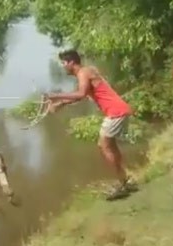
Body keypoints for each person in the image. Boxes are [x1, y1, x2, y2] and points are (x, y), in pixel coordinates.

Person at [44, 49, 138, 201]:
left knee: (104, 146)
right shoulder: (87, 72)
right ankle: (125, 181)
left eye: (64, 63)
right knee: (110, 146)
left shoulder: (83, 73)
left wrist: (56, 95)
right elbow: (82, 94)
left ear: (71, 62)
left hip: (116, 112)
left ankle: (123, 185)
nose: (63, 66)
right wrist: (61, 103)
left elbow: (81, 94)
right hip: (118, 110)